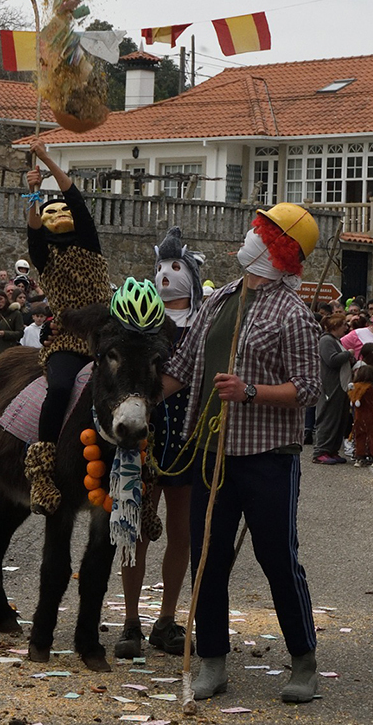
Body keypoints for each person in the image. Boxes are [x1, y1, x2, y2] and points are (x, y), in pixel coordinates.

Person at [161, 201, 321, 703]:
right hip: (211, 452)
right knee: (207, 559)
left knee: (277, 558)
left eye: (263, 233)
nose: (250, 238)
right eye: (257, 229)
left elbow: (309, 387)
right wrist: (137, 401)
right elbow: (182, 368)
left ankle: (304, 661)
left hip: (268, 456)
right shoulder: (221, 298)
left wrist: (250, 391)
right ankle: (212, 661)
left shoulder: (292, 313)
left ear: (279, 251)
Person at [115, 226, 205, 660]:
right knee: (135, 530)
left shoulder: (205, 322)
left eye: (174, 267)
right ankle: (130, 621)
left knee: (181, 532)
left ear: (190, 273)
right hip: (142, 440)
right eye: (159, 267)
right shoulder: (138, 320)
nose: (165, 275)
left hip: (187, 441)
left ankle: (167, 619)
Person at [22, 141, 113, 516]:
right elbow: (31, 231)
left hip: (104, 333)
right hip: (67, 340)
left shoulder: (90, 244)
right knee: (59, 388)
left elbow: (74, 196)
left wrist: (46, 160)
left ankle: (145, 470)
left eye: (62, 209)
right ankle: (42, 472)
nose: (59, 212)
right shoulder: (45, 257)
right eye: (49, 210)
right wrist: (33, 192)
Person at [312, 313, 353, 465]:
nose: (346, 327)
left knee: (339, 419)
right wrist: (348, 353)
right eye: (343, 324)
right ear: (335, 325)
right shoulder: (326, 340)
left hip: (341, 386)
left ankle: (332, 450)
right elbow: (332, 360)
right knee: (328, 418)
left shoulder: (336, 340)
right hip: (331, 387)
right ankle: (321, 451)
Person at [348, 364, 373, 467]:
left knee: (360, 436)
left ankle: (359, 457)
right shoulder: (368, 388)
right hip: (370, 416)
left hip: (358, 417)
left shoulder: (355, 387)